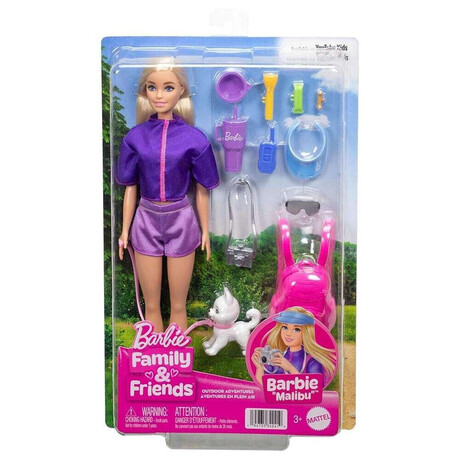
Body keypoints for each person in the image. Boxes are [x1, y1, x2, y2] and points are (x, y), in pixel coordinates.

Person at [116, 61, 219, 333]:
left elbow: (202, 189)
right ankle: (154, 355)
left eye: (168, 87)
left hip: (181, 219)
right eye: (152, 87)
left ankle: (177, 356)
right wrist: (125, 231)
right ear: (145, 91)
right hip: (146, 218)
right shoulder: (135, 138)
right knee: (151, 305)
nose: (159, 95)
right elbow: (130, 187)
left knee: (178, 306)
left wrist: (205, 231)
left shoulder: (194, 139)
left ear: (182, 89)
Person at [251, 307, 336, 386]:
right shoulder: (277, 359)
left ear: (306, 333)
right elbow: (263, 388)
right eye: (285, 327)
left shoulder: (312, 362)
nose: (288, 334)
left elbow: (316, 389)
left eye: (296, 329)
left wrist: (290, 368)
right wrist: (259, 368)